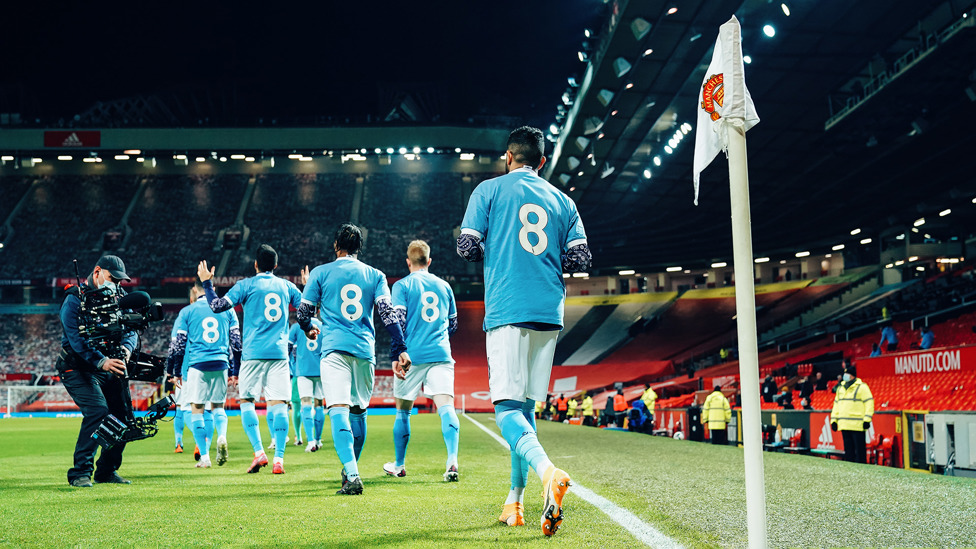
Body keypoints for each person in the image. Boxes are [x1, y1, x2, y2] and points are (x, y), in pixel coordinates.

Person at [457, 125, 591, 536]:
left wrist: (497, 245)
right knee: (527, 408)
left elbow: (466, 248)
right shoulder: (563, 200)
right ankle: (514, 501)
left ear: (508, 157)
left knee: (506, 412)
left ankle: (548, 472)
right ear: (543, 161)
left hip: (508, 307)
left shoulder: (490, 190)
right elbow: (581, 257)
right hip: (549, 311)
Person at [297, 223, 410, 496]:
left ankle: (353, 473)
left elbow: (302, 313)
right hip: (364, 352)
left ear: (336, 245)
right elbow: (386, 313)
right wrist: (400, 347)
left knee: (338, 408)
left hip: (335, 351)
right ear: (360, 248)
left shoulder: (320, 273)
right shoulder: (376, 275)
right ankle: (351, 471)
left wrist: (309, 326)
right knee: (359, 411)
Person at [198, 244, 305, 475]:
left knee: (247, 402)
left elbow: (217, 307)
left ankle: (259, 453)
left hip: (252, 355)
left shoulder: (245, 285)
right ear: (275, 266)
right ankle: (279, 460)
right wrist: (305, 290)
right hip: (279, 355)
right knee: (279, 405)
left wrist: (207, 282)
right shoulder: (287, 286)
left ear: (255, 264)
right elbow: (306, 310)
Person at [382, 240, 461, 482]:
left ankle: (399, 464)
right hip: (440, 354)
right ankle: (452, 461)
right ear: (429, 261)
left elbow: (399, 321)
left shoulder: (402, 286)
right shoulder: (445, 286)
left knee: (403, 412)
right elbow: (453, 325)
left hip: (411, 356)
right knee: (446, 407)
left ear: (408, 262)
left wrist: (398, 353)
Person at [57, 255, 139, 487]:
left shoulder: (119, 297)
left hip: (108, 366)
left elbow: (131, 329)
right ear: (97, 273)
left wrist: (126, 348)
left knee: (123, 417)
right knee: (98, 412)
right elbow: (75, 340)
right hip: (77, 367)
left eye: (120, 281)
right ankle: (80, 473)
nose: (117, 285)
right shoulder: (74, 299)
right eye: (113, 279)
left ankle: (106, 471)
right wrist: (101, 361)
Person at [166, 281, 241, 468]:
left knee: (197, 410)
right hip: (221, 363)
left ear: (193, 292)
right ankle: (222, 436)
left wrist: (174, 372)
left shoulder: (187, 312)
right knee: (218, 408)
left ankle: (205, 457)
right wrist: (235, 371)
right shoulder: (228, 310)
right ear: (211, 290)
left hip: (198, 365)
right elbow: (236, 343)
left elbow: (178, 346)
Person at [288, 318, 326, 453]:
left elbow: (289, 346)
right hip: (320, 370)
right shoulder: (323, 325)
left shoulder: (296, 327)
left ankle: (310, 442)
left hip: (303, 370)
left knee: (305, 404)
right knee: (319, 404)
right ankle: (318, 440)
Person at [830, 364, 874, 463]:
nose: (845, 375)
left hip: (857, 426)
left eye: (847, 373)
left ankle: (863, 472)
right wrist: (834, 420)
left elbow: (869, 403)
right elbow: (836, 405)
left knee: (860, 453)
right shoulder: (840, 388)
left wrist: (867, 419)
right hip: (844, 425)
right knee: (848, 453)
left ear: (852, 375)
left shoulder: (862, 387)